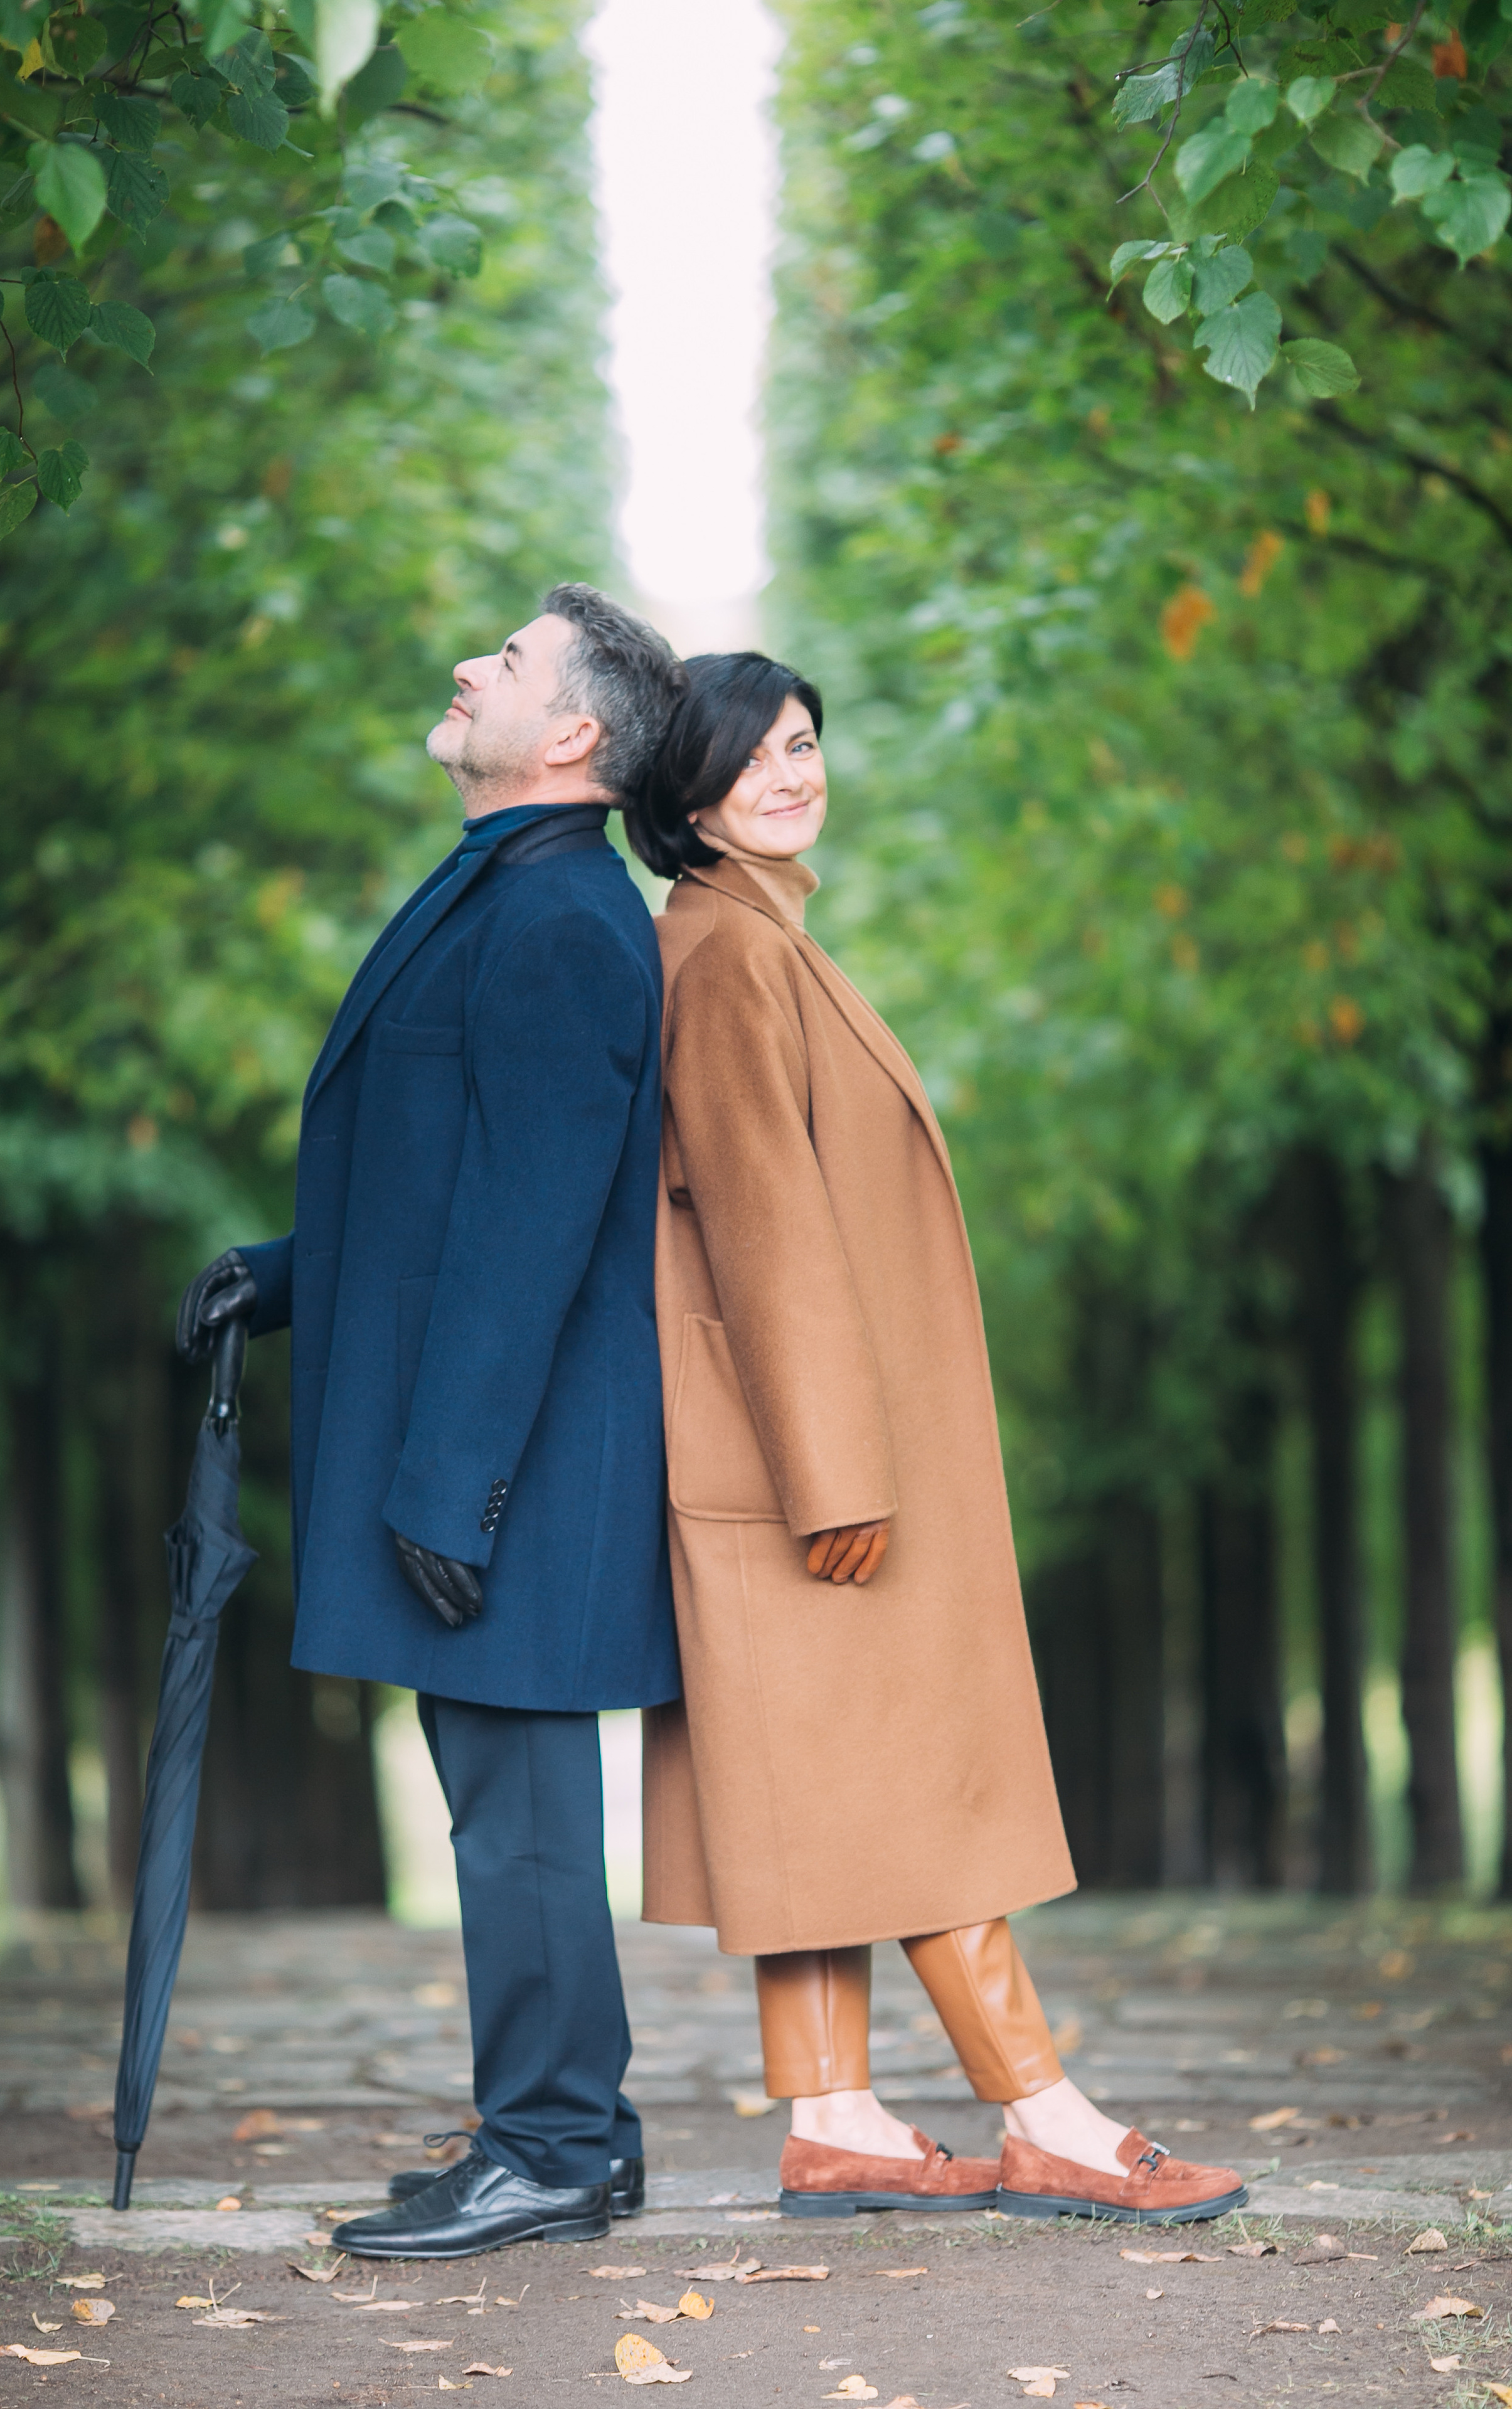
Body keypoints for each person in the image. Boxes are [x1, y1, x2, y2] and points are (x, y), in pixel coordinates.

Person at [626, 652, 1246, 2226]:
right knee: (907, 1787)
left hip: (796, 1459)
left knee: (820, 1796)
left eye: (806, 743)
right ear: (684, 794)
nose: (794, 770)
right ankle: (1045, 2112)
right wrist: (835, 1468)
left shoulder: (751, 937)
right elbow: (762, 1223)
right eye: (757, 754)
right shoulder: (723, 955)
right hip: (806, 1470)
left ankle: (836, 2116)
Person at [176, 587, 685, 2260]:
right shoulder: (516, 895)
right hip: (485, 1439)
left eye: (511, 660)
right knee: (496, 1790)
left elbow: (534, 1218)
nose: (468, 663)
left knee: (520, 1799)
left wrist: (456, 1482)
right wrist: (281, 1277)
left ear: (574, 737)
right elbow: (441, 1187)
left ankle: (548, 2144)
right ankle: (570, 2135)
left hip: (508, 1449)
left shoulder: (557, 920)